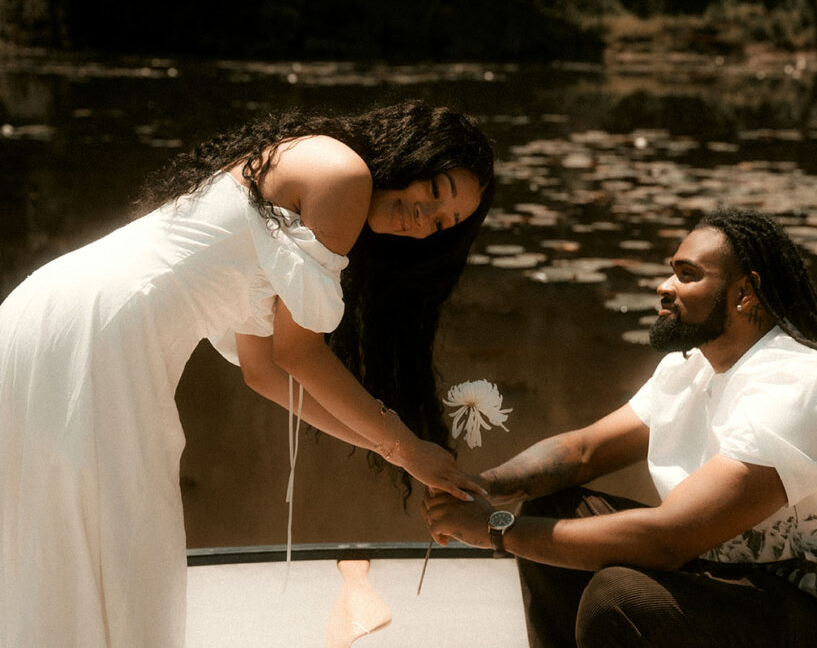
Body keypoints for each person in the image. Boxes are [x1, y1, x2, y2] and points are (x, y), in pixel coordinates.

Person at [0, 100, 494, 647]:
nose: (424, 220)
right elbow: (300, 356)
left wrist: (399, 452)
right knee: (125, 547)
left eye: (443, 223)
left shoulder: (310, 162)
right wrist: (405, 445)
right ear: (413, 154)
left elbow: (264, 371)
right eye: (435, 193)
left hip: (47, 312)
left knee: (64, 544)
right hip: (101, 334)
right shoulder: (343, 175)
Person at [423, 208, 817, 647]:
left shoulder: (800, 391)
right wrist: (479, 487)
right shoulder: (692, 367)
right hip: (737, 582)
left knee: (619, 598)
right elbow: (584, 453)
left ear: (745, 293)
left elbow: (668, 539)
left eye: (687, 275)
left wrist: (494, 529)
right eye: (669, 271)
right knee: (555, 506)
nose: (664, 286)